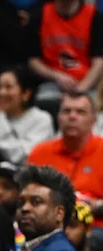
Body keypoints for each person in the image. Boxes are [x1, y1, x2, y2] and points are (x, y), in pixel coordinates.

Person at [27, 91, 103, 227]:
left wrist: (97, 205)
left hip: (95, 227)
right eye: (66, 111)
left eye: (80, 112)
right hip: (46, 227)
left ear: (93, 119)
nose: (72, 117)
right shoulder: (40, 152)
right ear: (58, 117)